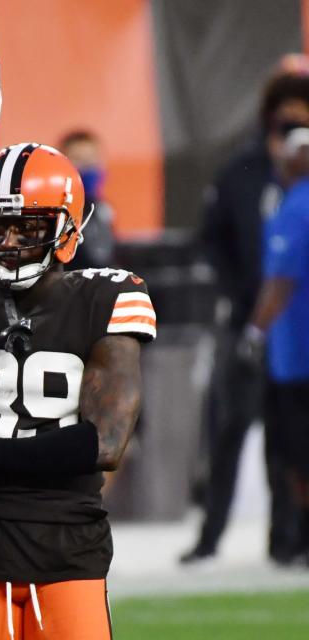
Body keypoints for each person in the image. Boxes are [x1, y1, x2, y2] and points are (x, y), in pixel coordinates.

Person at [0, 144, 154, 640]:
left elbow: (104, 443)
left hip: (68, 547)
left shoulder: (109, 296)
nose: (10, 241)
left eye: (29, 226)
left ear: (66, 228)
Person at [180, 57, 309, 566]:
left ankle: (287, 539)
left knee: (289, 443)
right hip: (250, 326)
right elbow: (210, 239)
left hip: (290, 333)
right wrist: (240, 296)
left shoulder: (298, 192)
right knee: (229, 432)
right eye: (288, 115)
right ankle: (210, 537)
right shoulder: (242, 170)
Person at [244, 126, 309, 564]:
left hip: (297, 355)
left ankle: (300, 537)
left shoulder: (296, 206)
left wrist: (254, 332)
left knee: (297, 454)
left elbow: (281, 282)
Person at [59, 129, 115, 270]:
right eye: (79, 159)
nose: (87, 166)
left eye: (91, 158)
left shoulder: (104, 209)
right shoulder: (58, 213)